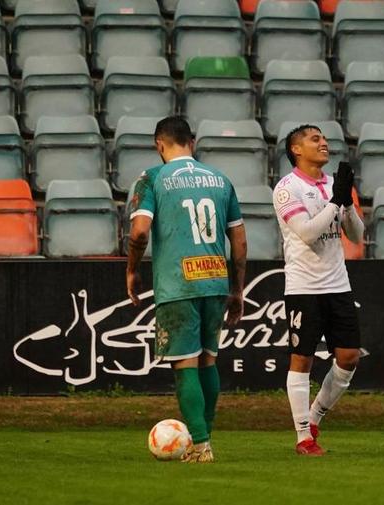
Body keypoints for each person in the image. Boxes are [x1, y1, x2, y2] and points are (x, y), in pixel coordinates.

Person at [127, 117, 247, 463]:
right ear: (191, 142)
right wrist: (237, 289)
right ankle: (202, 439)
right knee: (209, 360)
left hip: (178, 284)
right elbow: (238, 240)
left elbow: (139, 233)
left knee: (184, 365)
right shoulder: (220, 180)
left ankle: (201, 443)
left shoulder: (152, 178)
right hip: (214, 281)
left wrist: (133, 269)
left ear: (159, 145)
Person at [273, 124, 365, 456]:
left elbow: (355, 235)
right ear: (296, 149)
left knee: (349, 357)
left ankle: (314, 417)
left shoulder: (333, 185)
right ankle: (303, 437)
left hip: (338, 283)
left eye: (324, 138)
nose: (323, 143)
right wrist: (334, 203)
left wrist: (348, 203)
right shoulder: (287, 188)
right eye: (315, 139)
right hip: (304, 287)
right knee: (302, 360)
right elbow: (308, 233)